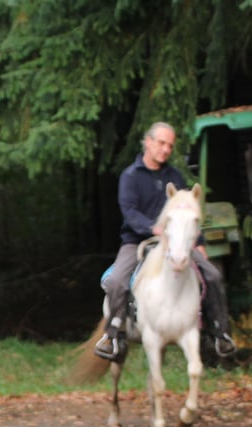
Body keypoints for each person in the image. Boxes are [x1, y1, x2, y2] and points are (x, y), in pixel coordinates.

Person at [94, 121, 237, 360]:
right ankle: (113, 335)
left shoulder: (175, 176)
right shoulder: (130, 176)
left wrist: (198, 242)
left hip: (176, 241)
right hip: (137, 241)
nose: (166, 149)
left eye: (170, 145)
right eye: (161, 143)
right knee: (117, 280)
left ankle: (218, 332)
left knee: (213, 275)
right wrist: (154, 229)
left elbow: (189, 211)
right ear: (148, 142)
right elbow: (129, 213)